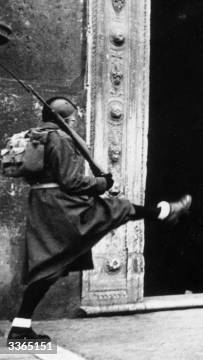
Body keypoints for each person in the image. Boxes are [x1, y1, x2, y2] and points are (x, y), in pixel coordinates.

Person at [7, 96, 192, 342]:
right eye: (71, 118)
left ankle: (20, 329)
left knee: (51, 267)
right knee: (116, 208)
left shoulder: (36, 135)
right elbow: (72, 181)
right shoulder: (59, 138)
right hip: (61, 206)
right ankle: (163, 212)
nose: (73, 121)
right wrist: (101, 182)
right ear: (63, 118)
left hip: (43, 203)